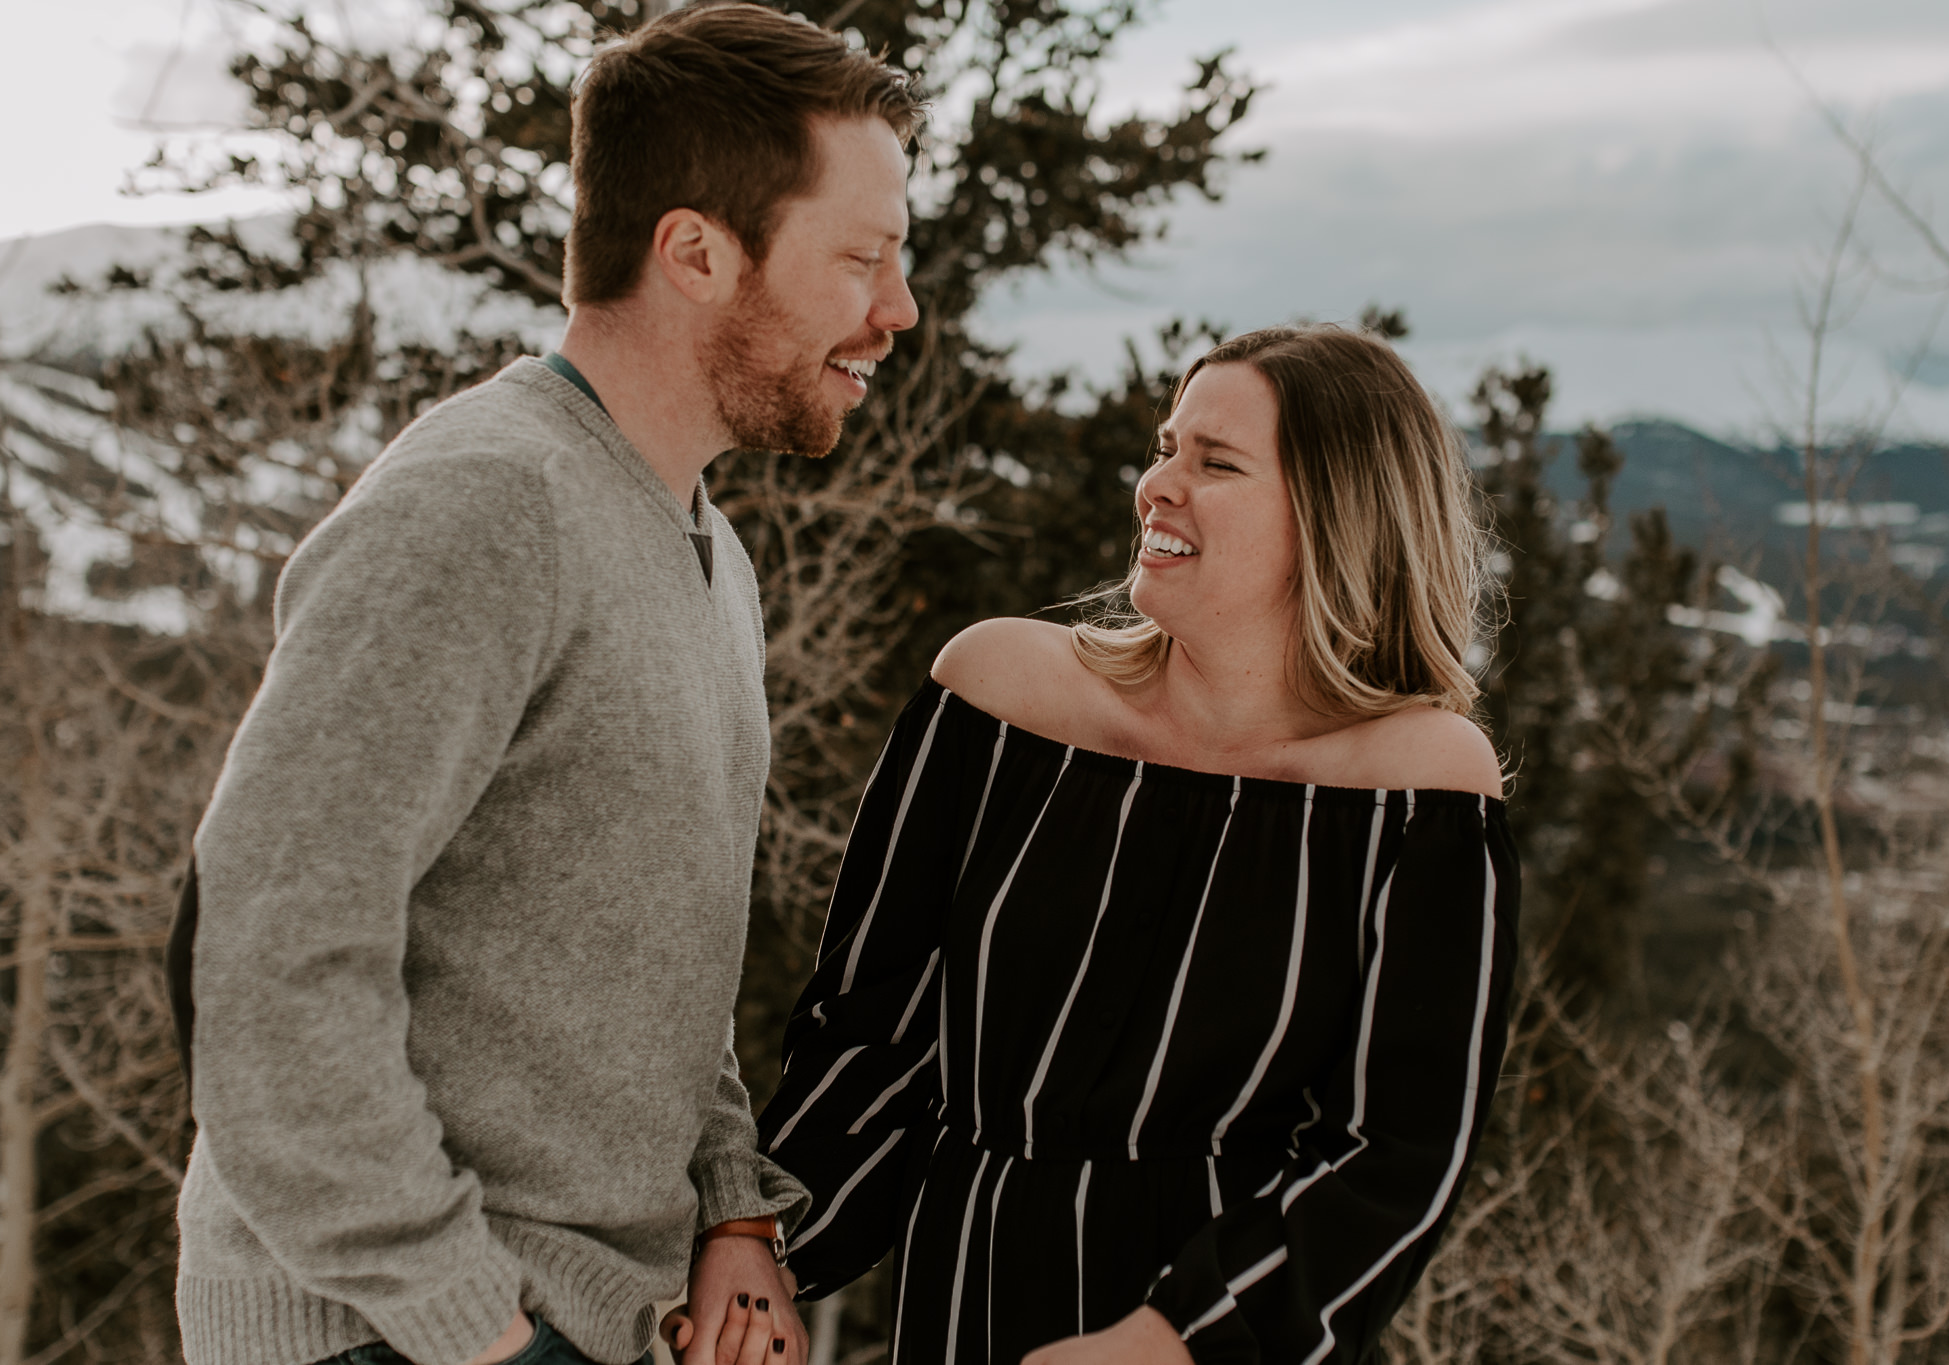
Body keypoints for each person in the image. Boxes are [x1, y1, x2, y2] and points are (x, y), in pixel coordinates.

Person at [168, 8, 920, 1365]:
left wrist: (733, 1207)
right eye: (861, 258)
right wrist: (470, 1323)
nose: (896, 309)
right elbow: (261, 951)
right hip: (390, 1330)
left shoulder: (706, 553)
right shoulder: (487, 504)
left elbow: (650, 969)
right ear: (696, 253)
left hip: (578, 1314)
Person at [756, 325, 1519, 1365]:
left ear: (1337, 512)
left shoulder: (1421, 786)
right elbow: (871, 1029)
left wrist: (1176, 1340)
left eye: (1216, 463)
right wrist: (765, 1244)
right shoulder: (993, 696)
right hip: (967, 1304)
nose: (1157, 484)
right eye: (1166, 448)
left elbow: (1396, 1153)